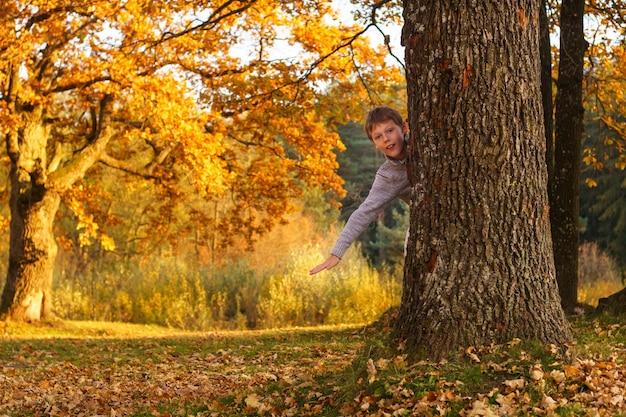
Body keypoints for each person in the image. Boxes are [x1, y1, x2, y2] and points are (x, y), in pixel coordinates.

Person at [309, 106, 411, 274]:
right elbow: (364, 212)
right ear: (375, 144)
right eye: (378, 137)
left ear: (404, 127)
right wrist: (337, 252)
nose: (386, 138)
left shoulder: (425, 143)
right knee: (413, 252)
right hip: (425, 220)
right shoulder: (387, 176)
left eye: (390, 130)